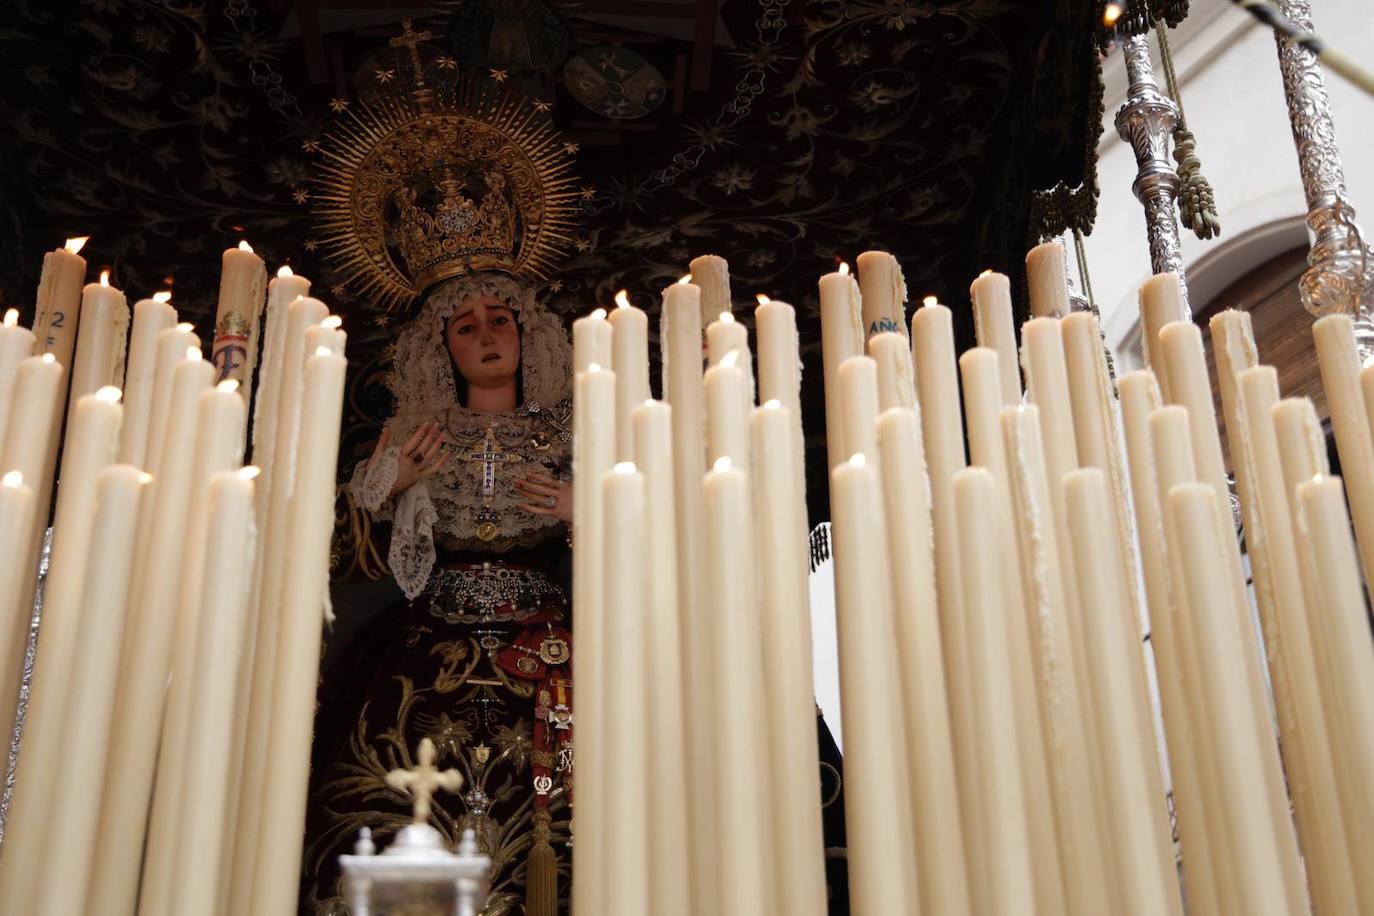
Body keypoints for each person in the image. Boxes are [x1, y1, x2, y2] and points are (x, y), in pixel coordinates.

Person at [302, 270, 577, 915]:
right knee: (388, 795)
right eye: (466, 325)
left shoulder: (571, 433)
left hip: (547, 647)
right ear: (443, 349)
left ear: (526, 332)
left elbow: (641, 550)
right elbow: (330, 560)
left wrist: (580, 507)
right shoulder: (408, 437)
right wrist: (389, 488)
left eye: (500, 318)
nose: (486, 334)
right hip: (422, 649)